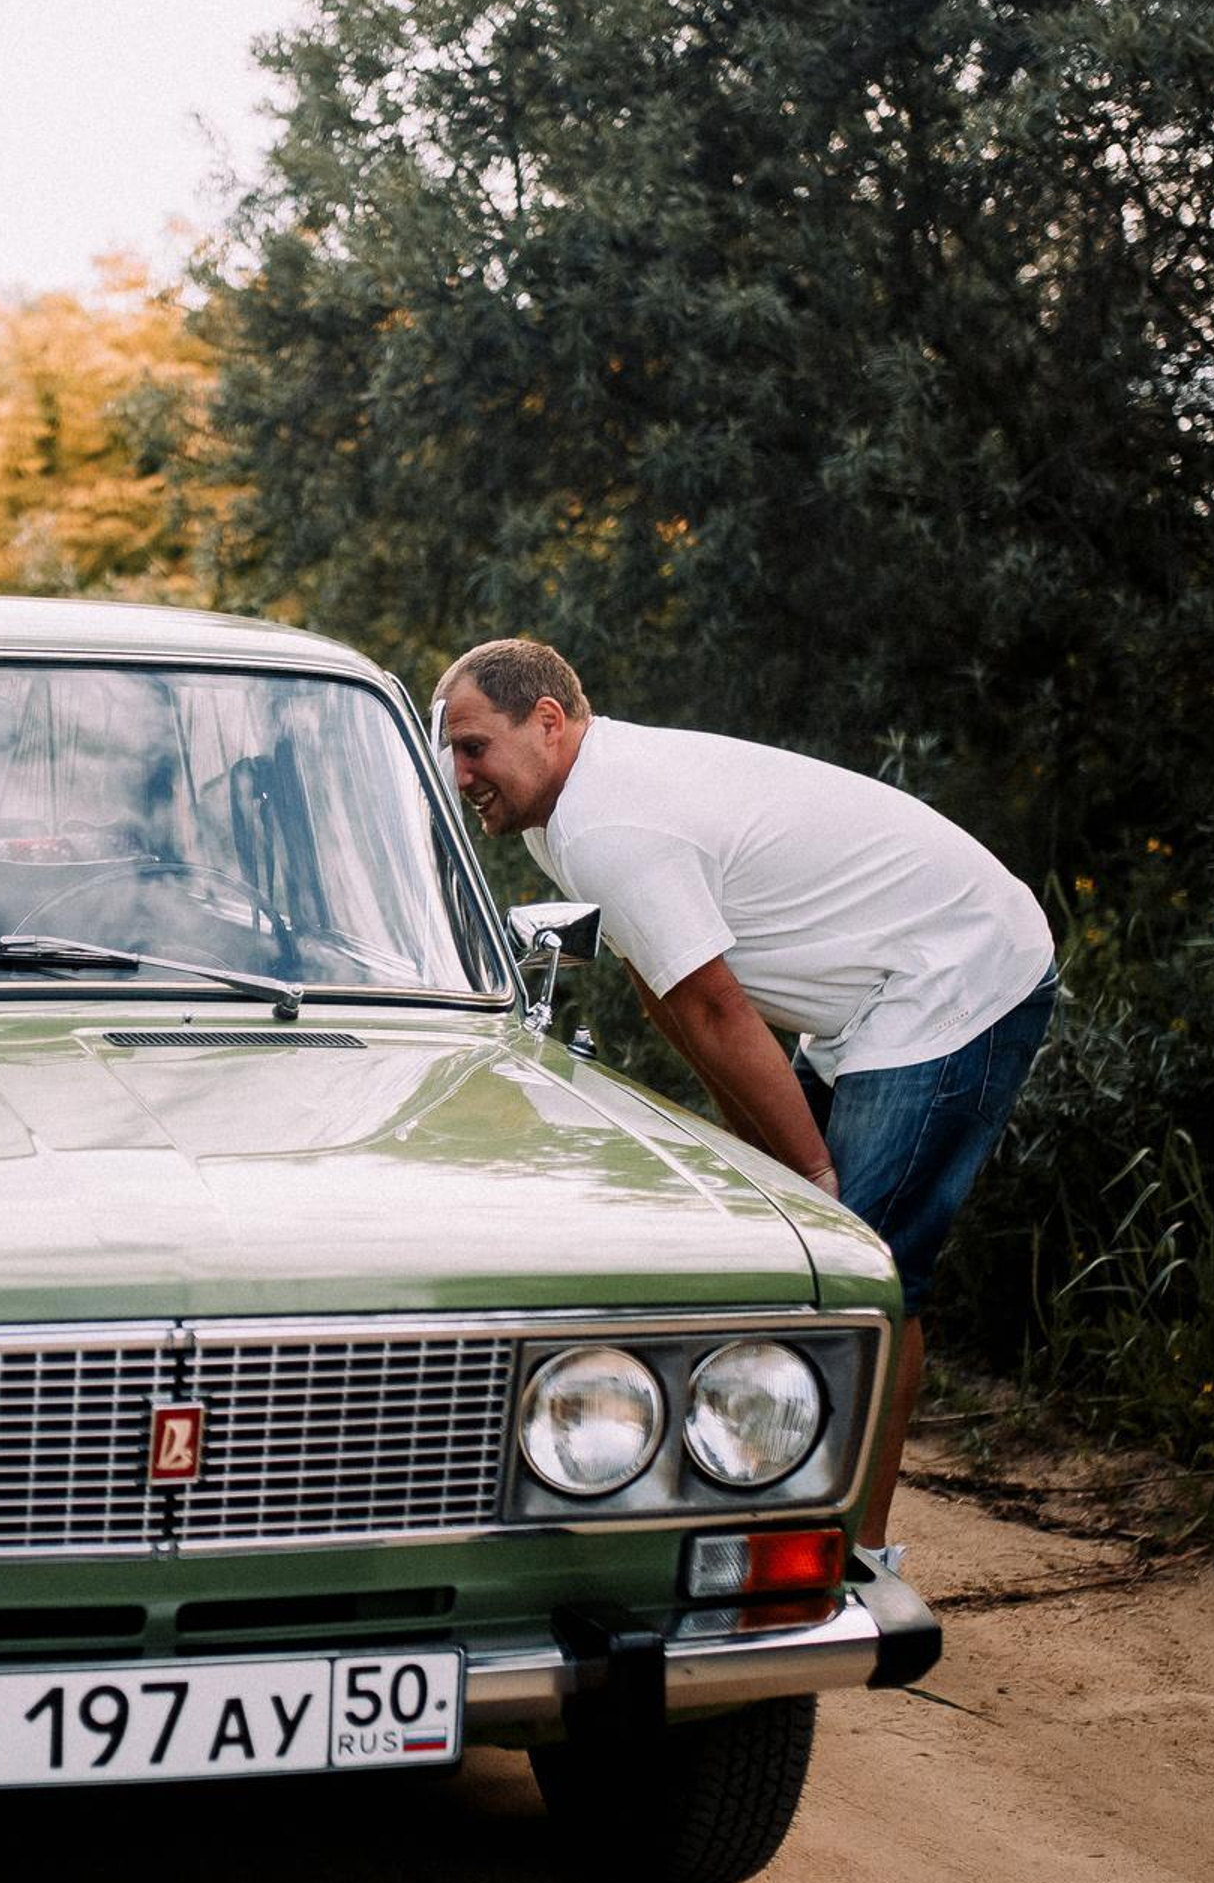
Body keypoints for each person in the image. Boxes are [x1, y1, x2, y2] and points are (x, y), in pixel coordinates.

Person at [436, 638, 1055, 1547]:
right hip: (869, 1002)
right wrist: (759, 1166)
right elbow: (667, 993)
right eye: (449, 752)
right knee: (794, 1247)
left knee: (863, 1279)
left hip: (953, 972)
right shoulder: (562, 815)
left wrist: (810, 1172)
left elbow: (719, 1008)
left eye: (472, 747)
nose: (458, 775)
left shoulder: (609, 823)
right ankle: (771, 1512)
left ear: (548, 722)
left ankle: (859, 1556)